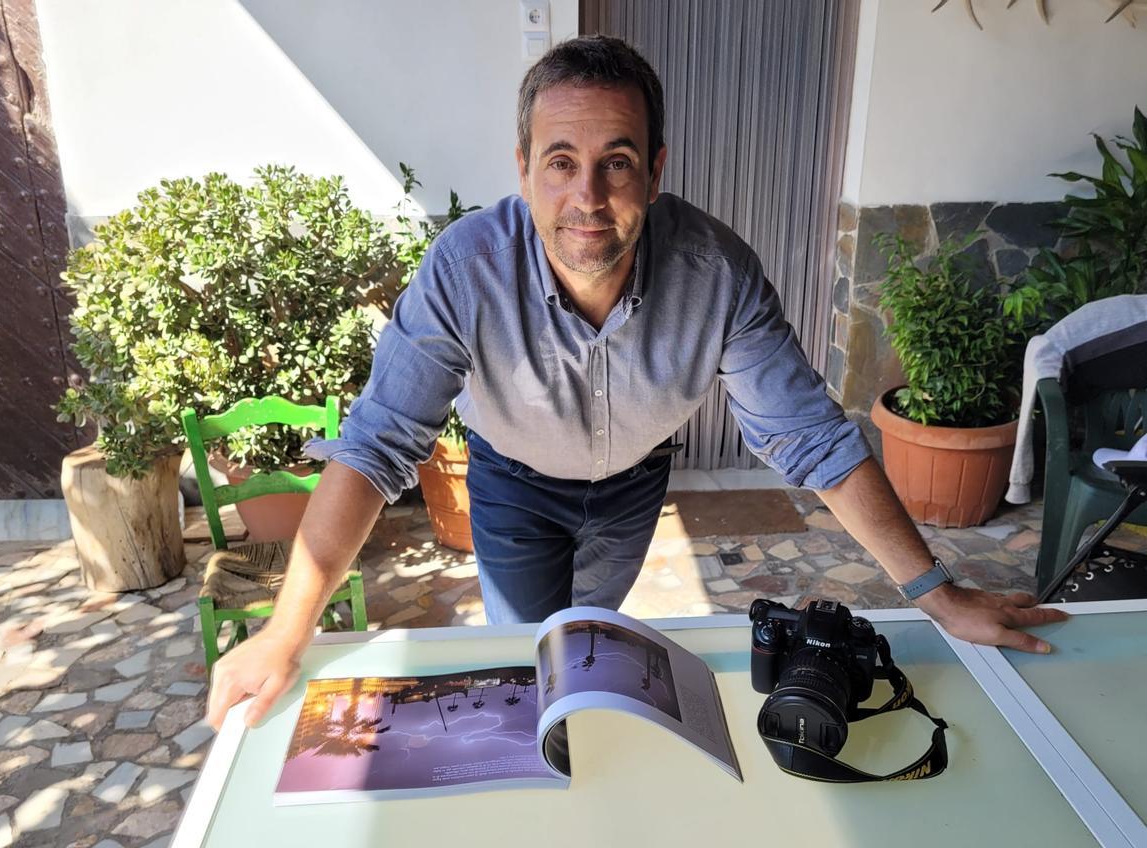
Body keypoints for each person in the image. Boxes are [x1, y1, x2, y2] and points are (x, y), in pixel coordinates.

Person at [206, 36, 1066, 732]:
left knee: (595, 645)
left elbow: (812, 440)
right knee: (530, 660)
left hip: (630, 488)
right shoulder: (462, 269)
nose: (587, 194)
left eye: (616, 161)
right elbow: (377, 444)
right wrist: (288, 629)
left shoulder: (717, 273)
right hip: (509, 485)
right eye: (560, 161)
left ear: (655, 169)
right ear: (523, 168)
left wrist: (939, 597)